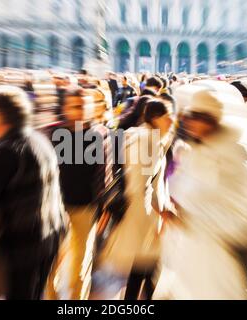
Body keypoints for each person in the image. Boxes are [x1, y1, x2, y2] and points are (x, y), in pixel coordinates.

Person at [157, 90, 247, 299]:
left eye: (198, 117)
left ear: (212, 121)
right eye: (189, 116)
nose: (191, 123)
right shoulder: (193, 152)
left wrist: (187, 220)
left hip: (216, 267)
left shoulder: (232, 162)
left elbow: (241, 221)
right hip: (187, 261)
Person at [0, 85, 68, 299]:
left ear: (1, 116)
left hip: (23, 244)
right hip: (50, 235)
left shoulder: (8, 150)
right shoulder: (39, 140)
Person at [94, 99, 175, 300]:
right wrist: (160, 211)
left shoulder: (143, 136)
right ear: (156, 118)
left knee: (143, 269)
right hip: (142, 214)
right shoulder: (148, 140)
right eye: (168, 116)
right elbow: (141, 182)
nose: (172, 121)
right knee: (146, 266)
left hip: (143, 212)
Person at [51, 88, 112, 300]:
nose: (81, 110)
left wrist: (104, 205)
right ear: (65, 108)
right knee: (53, 262)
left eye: (84, 105)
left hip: (85, 208)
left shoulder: (100, 133)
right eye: (75, 105)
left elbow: (104, 173)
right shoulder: (53, 134)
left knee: (80, 263)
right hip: (55, 208)